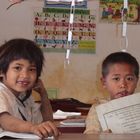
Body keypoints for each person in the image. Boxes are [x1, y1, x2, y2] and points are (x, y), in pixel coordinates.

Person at [0, 38, 60, 138]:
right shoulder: (1, 92)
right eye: (17, 68)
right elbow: (5, 120)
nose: (25, 75)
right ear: (1, 71)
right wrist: (33, 128)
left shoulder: (26, 97)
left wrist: (43, 94)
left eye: (31, 69)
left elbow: (47, 122)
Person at [84, 51, 139, 134]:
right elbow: (90, 133)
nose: (123, 85)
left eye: (129, 79)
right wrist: (100, 136)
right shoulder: (98, 108)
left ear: (137, 81)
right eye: (116, 79)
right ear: (104, 82)